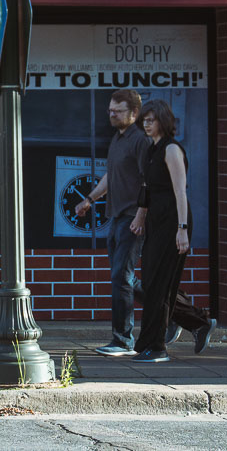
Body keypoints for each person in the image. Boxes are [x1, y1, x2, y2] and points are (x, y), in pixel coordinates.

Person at [128, 99, 217, 362]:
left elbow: (180, 192)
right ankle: (168, 334)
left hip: (173, 220)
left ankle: (156, 347)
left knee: (160, 285)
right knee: (152, 282)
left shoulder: (171, 150)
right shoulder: (151, 149)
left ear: (163, 122)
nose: (146, 123)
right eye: (144, 119)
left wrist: (182, 229)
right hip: (156, 219)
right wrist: (140, 216)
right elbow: (147, 188)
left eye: (151, 119)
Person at [74, 89, 150, 356]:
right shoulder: (117, 139)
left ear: (134, 113)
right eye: (110, 110)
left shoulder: (140, 140)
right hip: (116, 215)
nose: (111, 115)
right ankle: (171, 312)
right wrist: (90, 199)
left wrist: (141, 215)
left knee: (121, 277)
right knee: (123, 277)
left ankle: (123, 340)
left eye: (117, 111)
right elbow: (110, 175)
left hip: (132, 218)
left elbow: (147, 181)